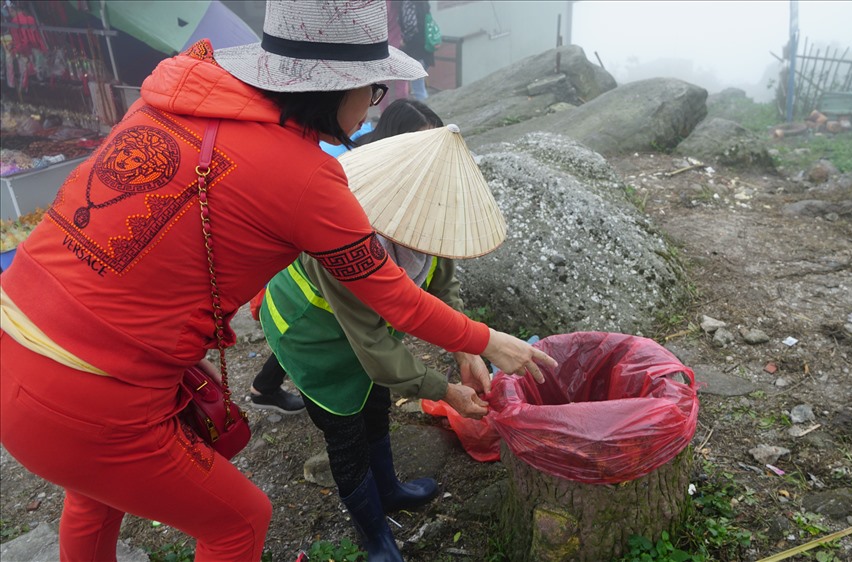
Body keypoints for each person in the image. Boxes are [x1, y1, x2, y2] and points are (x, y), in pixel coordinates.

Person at [0, 2, 557, 561]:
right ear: (339, 87)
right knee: (240, 521)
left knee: (94, 498)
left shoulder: (175, 96)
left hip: (13, 342)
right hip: (94, 395)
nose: (370, 108)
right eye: (375, 90)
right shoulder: (306, 179)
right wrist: (486, 341)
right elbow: (395, 300)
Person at [259, 99, 491, 561]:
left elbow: (443, 287)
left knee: (376, 402)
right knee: (344, 433)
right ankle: (375, 537)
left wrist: (467, 349)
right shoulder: (347, 230)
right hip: (310, 334)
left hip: (361, 334)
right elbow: (372, 343)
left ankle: (389, 490)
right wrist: (446, 390)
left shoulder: (428, 216)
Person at [399, 0, 434, 100]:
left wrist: (404, 40)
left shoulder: (408, 3)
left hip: (415, 51)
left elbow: (411, 25)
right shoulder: (423, 3)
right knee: (420, 86)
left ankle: (425, 112)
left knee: (418, 88)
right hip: (426, 48)